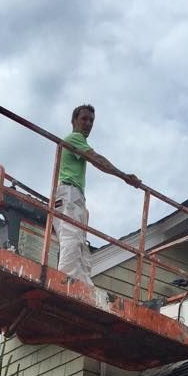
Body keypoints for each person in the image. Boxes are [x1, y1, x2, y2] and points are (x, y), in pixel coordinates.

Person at [54, 104, 141, 285]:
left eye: (91, 121)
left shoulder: (78, 139)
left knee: (79, 241)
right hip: (69, 193)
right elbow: (97, 160)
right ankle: (64, 281)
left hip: (75, 195)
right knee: (72, 237)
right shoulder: (75, 138)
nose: (88, 124)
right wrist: (124, 176)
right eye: (84, 119)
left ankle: (82, 282)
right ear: (74, 121)